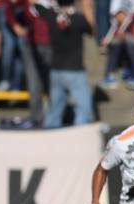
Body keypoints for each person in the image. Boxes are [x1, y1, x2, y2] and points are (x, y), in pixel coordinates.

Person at [35, 0, 94, 128]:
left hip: (56, 71)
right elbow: (92, 29)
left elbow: (37, 5)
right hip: (75, 71)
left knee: (54, 113)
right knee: (83, 111)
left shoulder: (51, 16)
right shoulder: (79, 19)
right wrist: (87, 7)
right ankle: (79, 139)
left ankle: (49, 140)